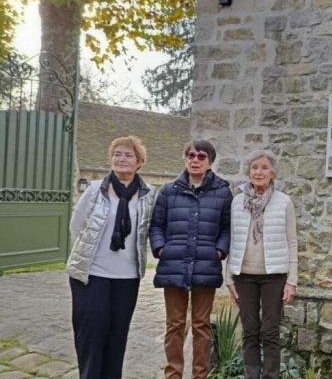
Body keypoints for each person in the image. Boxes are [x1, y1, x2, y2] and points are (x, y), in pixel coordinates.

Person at [66, 135, 156, 379]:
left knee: (117, 336)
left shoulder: (149, 196)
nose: (122, 159)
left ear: (139, 162)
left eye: (128, 155)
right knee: (91, 335)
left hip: (127, 277)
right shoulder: (96, 189)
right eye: (117, 154)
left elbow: (151, 230)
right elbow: (77, 225)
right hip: (91, 275)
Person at [149, 140, 233, 379]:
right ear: (185, 158)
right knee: (174, 324)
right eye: (191, 155)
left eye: (201, 156)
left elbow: (226, 229)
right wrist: (161, 249)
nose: (195, 160)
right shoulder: (168, 191)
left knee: (201, 325)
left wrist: (219, 251)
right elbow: (156, 226)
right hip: (173, 265)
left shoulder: (222, 192)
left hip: (206, 266)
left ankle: (200, 375)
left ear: (210, 162)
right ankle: (173, 374)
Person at [226, 149, 298, 379]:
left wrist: (292, 281)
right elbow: (230, 240)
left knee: (270, 331)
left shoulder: (284, 202)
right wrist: (228, 280)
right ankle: (251, 375)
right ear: (248, 172)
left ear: (272, 173)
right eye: (254, 167)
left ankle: (270, 376)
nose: (259, 172)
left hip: (274, 276)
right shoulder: (237, 202)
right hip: (243, 275)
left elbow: (292, 242)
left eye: (264, 168)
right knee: (249, 331)